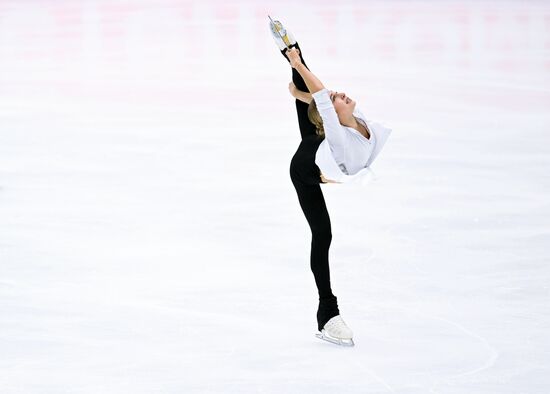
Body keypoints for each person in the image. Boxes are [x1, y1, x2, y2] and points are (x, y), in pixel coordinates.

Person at [269, 18, 392, 346]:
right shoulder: (337, 133)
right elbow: (323, 99)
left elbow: (323, 102)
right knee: (323, 234)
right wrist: (296, 61)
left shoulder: (355, 120)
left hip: (324, 146)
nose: (343, 94)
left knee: (312, 106)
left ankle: (291, 51)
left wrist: (298, 90)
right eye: (338, 97)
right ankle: (328, 312)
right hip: (305, 168)